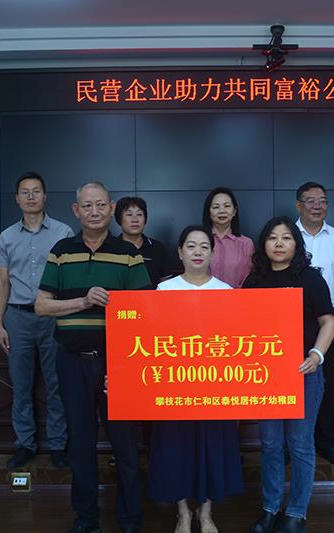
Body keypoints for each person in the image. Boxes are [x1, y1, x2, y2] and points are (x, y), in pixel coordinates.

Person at [36, 182, 150, 533]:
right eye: (87, 206)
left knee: (125, 445)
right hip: (71, 362)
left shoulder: (128, 254)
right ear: (76, 210)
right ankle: (86, 518)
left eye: (101, 204)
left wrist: (125, 364)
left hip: (117, 365)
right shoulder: (61, 251)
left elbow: (145, 311)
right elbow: (41, 306)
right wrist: (83, 301)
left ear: (112, 208)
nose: (95, 212)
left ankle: (131, 519)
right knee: (80, 444)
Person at [147, 225, 243, 533]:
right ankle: (183, 514)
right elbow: (153, 339)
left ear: (213, 253)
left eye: (204, 246)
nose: (198, 252)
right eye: (191, 246)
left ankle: (206, 513)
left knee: (211, 449)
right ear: (180, 252)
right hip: (175, 386)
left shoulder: (226, 292)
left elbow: (234, 343)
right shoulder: (164, 290)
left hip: (214, 387)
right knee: (176, 449)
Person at [244, 216, 334, 533]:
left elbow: (328, 321)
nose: (279, 243)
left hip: (303, 372)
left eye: (286, 237)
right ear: (264, 244)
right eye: (272, 237)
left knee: (299, 444)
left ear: (296, 243)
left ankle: (296, 513)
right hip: (266, 376)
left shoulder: (310, 278)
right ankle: (270, 508)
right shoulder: (254, 280)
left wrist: (316, 355)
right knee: (270, 444)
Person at [0, 171, 72, 470]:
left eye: (36, 191)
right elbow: (2, 282)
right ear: (17, 198)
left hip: (53, 316)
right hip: (18, 317)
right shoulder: (6, 237)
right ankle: (25, 444)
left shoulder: (63, 233)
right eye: (25, 192)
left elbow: (69, 279)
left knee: (56, 385)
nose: (30, 196)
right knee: (21, 386)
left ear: (45, 196)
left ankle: (58, 445)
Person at [294, 181, 334, 467]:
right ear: (298, 205)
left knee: (327, 383)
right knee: (293, 382)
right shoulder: (287, 235)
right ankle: (295, 444)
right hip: (294, 317)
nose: (317, 206)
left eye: (323, 201)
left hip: (330, 317)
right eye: (311, 200)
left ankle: (328, 442)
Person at [202, 186, 254, 288]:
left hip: (237, 296)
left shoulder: (246, 243)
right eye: (216, 207)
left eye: (227, 206)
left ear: (234, 211)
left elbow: (248, 277)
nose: (222, 211)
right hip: (204, 296)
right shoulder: (200, 241)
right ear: (208, 212)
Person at [115, 196, 170, 288]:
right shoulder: (111, 248)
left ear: (145, 219)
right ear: (119, 219)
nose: (135, 220)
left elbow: (166, 283)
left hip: (152, 297)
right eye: (129, 214)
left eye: (139, 214)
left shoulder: (157, 248)